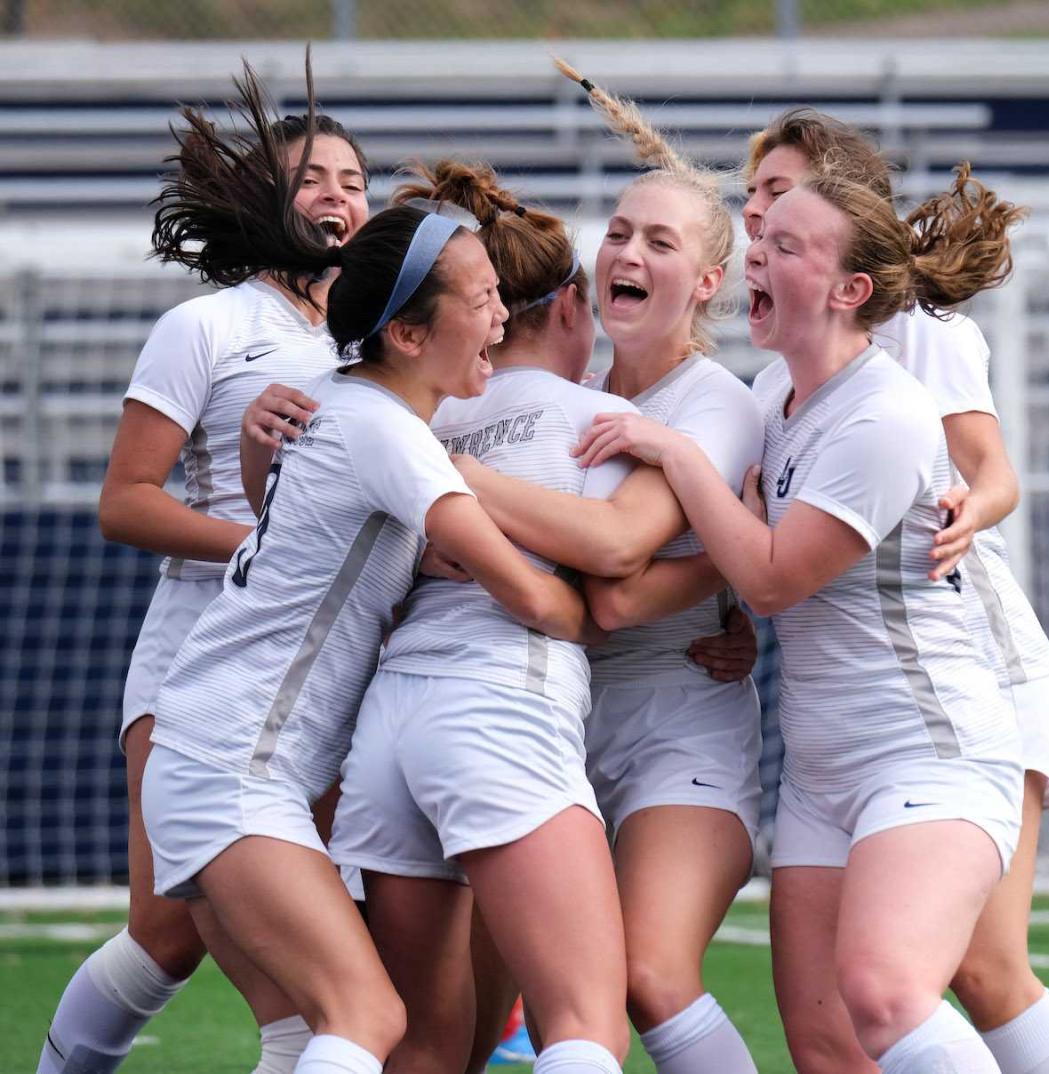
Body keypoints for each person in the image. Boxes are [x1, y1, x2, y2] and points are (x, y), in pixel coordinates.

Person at [133, 68, 594, 1074]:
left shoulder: (351, 406)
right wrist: (638, 603)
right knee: (367, 1020)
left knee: (311, 1034)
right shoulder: (392, 434)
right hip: (230, 771)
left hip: (224, 764)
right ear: (409, 334)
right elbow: (529, 593)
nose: (505, 319)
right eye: (481, 301)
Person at [575, 166, 1027, 1073]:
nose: (758, 256)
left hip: (924, 747)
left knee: (888, 993)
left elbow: (778, 578)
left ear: (848, 290)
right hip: (821, 768)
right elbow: (758, 571)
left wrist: (677, 454)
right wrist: (728, 610)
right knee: (827, 1043)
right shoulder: (779, 403)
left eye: (786, 246)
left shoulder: (888, 412)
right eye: (761, 239)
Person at [742, 107, 1049, 1074]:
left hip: (967, 659)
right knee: (847, 1015)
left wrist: (964, 512)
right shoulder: (785, 373)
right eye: (751, 201)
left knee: (973, 971)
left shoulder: (910, 335)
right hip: (847, 698)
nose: (756, 218)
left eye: (779, 195)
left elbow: (993, 472)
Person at [38, 86, 371, 1074]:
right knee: (172, 936)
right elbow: (125, 500)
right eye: (312, 176)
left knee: (313, 980)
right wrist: (262, 548)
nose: (337, 194)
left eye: (353, 180)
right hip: (199, 661)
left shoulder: (371, 343)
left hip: (325, 677)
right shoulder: (210, 328)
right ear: (262, 199)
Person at [446, 61, 767, 1074]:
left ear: (707, 282)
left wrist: (448, 483)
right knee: (511, 1012)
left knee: (646, 977)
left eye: (658, 242)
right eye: (620, 232)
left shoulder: (713, 402)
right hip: (558, 720)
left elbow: (619, 582)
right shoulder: (565, 384)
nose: (625, 251)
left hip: (682, 719)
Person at [326, 160, 631, 1074]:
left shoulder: (419, 408)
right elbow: (616, 565)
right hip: (501, 698)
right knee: (583, 1021)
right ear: (571, 307)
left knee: (425, 1043)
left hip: (386, 722)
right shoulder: (603, 418)